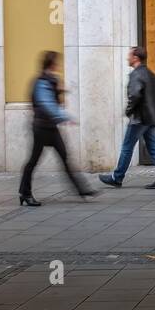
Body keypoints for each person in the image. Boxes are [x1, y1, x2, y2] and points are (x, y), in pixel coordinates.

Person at [18, 50, 96, 206]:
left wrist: (60, 92)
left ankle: (82, 189)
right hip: (41, 128)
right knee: (33, 161)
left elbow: (53, 101)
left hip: (50, 127)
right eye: (56, 63)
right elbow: (47, 104)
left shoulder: (51, 80)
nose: (58, 66)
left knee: (65, 158)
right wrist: (65, 117)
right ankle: (25, 193)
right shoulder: (41, 82)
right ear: (51, 64)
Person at [99, 46, 155, 189]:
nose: (127, 58)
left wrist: (129, 110)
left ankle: (117, 177)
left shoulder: (136, 74)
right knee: (153, 147)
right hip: (149, 118)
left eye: (129, 55)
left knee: (127, 147)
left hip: (139, 117)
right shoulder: (151, 75)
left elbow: (135, 95)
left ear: (136, 58)